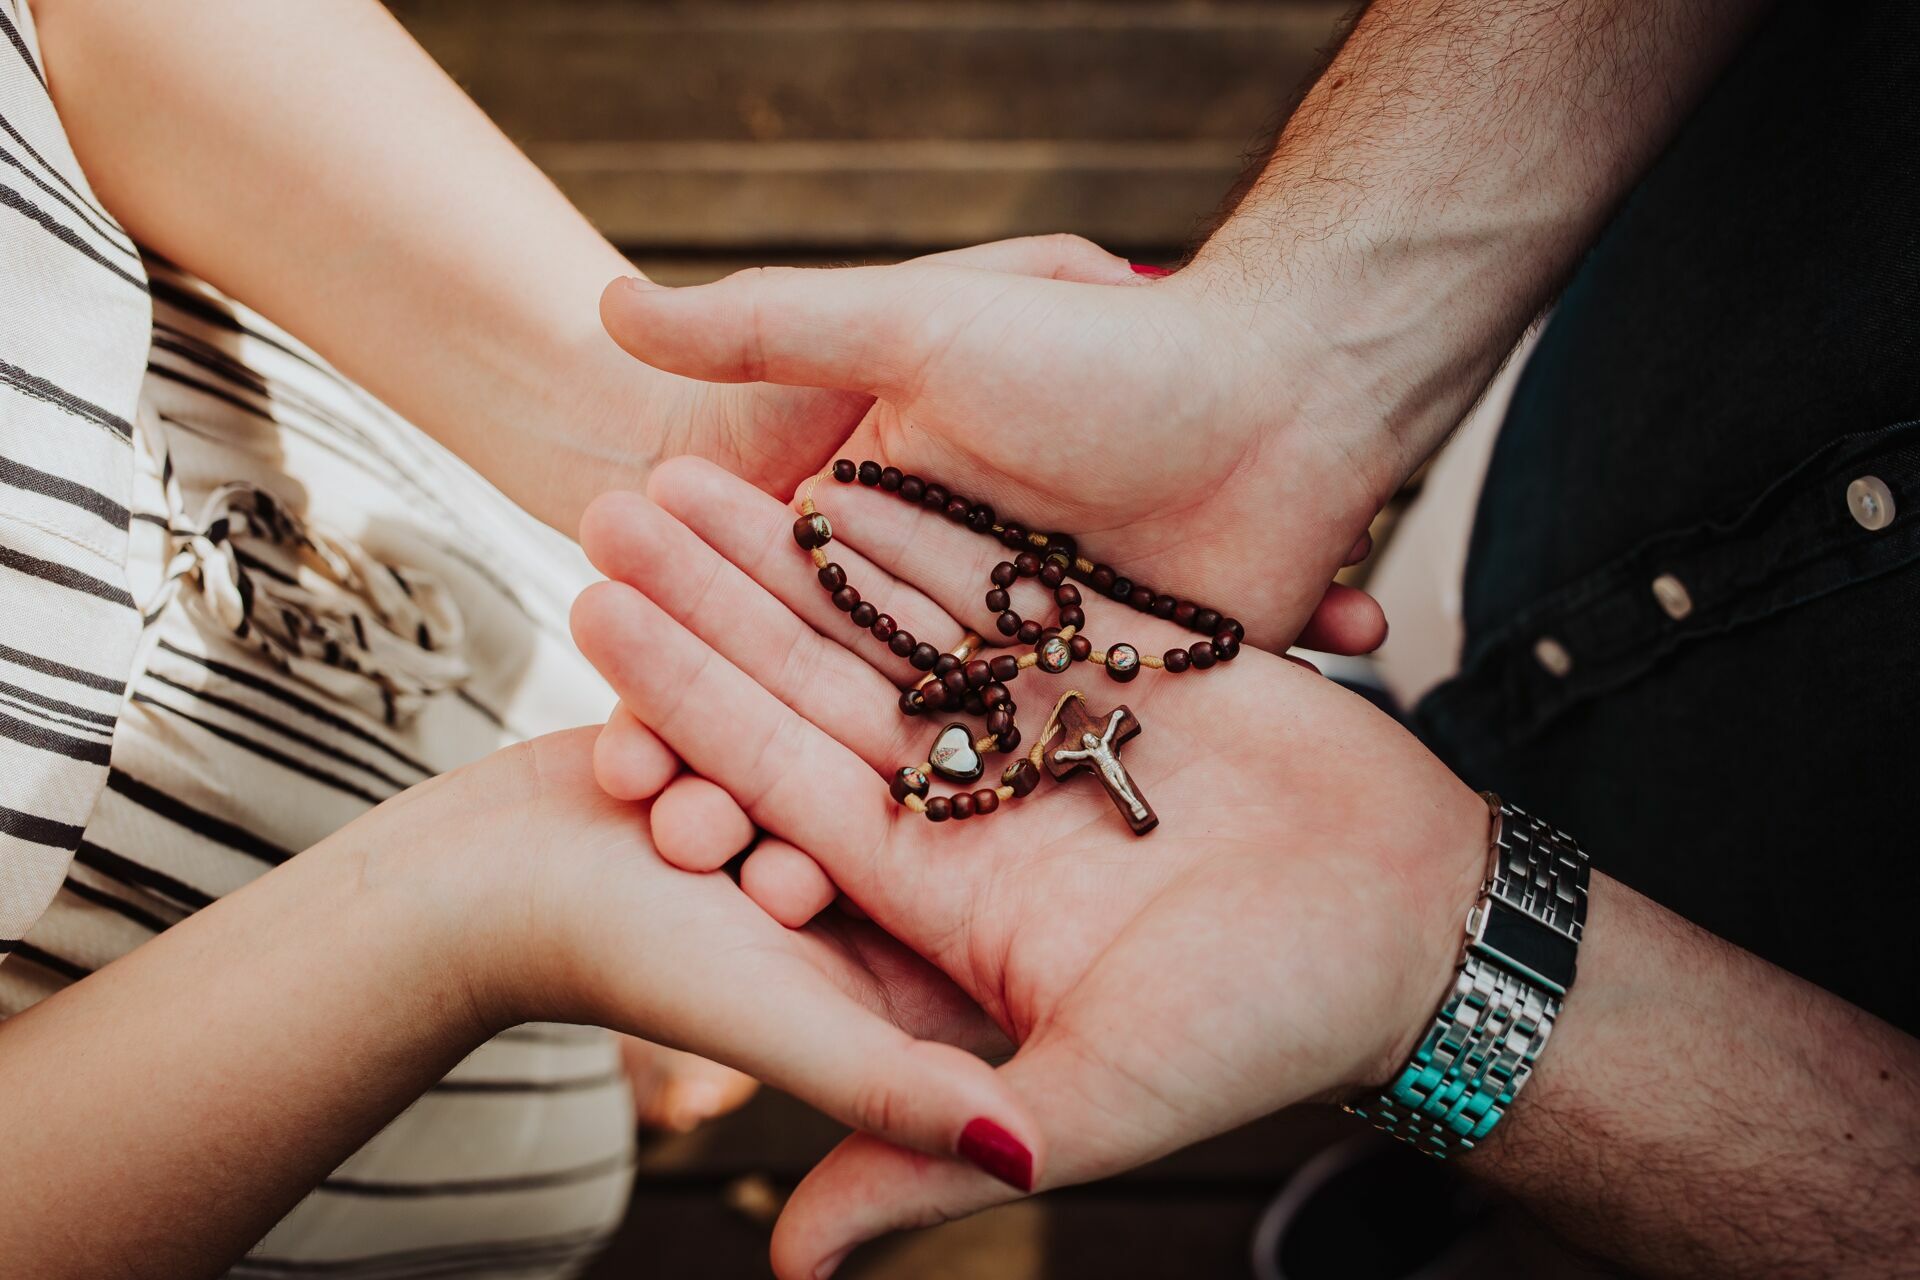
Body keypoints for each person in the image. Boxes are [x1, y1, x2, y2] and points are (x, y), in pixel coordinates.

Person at [587, 0, 1920, 1274]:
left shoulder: (1091, 721)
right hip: (1621, 446)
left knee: (1604, 1205)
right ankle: (1458, 1156)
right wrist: (1304, 355)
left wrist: (1457, 1007)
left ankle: (1501, 1155)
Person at [0, 1, 1142, 1274]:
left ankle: (639, 1019)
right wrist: (481, 911)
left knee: (621, 691)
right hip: (225, 1088)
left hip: (430, 459)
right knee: (564, 1080)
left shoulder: (683, 546)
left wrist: (655, 424)